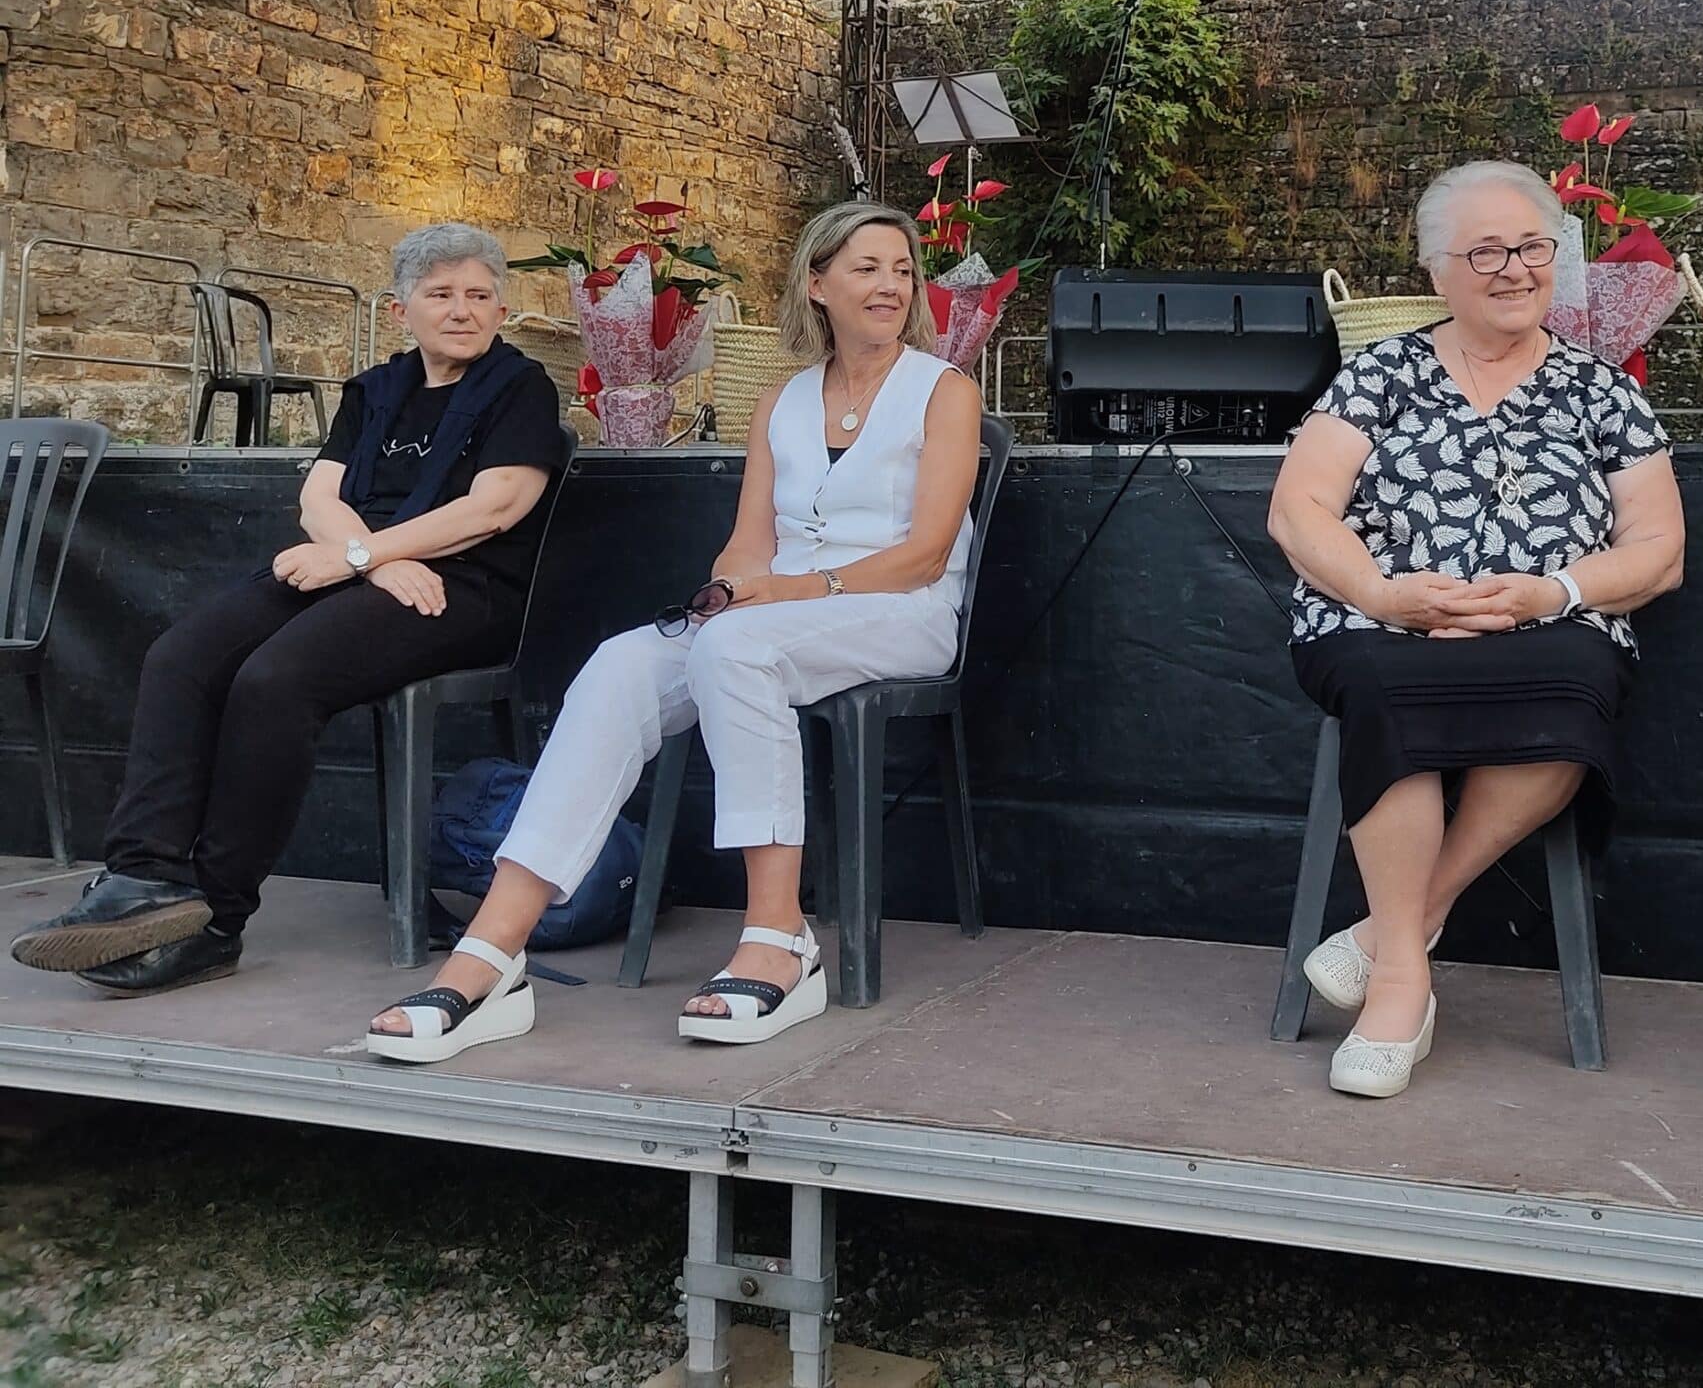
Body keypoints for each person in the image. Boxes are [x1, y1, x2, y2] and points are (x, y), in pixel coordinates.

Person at [366, 201, 979, 1061]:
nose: (890, 285)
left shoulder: (944, 390)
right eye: (867, 267)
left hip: (896, 611)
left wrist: (789, 592)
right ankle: (493, 952)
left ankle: (780, 936)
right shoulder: (782, 399)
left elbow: (925, 554)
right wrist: (726, 589)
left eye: (902, 270)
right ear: (817, 283)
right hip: (780, 611)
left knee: (737, 648)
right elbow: (749, 540)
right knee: (622, 663)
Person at [11, 224, 565, 995]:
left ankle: (216, 920)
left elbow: (496, 507)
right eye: (441, 295)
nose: (461, 310)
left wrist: (366, 557)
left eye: (478, 296)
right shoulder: (377, 388)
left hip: (461, 588)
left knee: (276, 679)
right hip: (366, 565)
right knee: (184, 654)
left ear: (502, 309)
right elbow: (319, 497)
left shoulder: (520, 388)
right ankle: (145, 878)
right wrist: (367, 559)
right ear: (404, 307)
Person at [1267, 160, 1686, 1099]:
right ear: (1436, 272)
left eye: (1532, 247)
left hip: (1551, 621)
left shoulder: (1600, 391)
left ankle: (1396, 928)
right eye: (1486, 250)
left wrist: (1555, 593)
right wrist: (1385, 598)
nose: (1513, 268)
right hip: (1384, 617)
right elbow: (1299, 513)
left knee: (1577, 687)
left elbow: (1660, 549)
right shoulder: (1379, 374)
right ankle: (1405, 987)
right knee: (1384, 688)